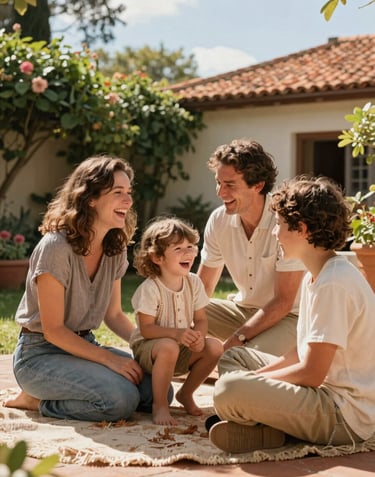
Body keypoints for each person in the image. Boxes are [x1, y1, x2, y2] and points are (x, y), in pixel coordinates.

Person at [208, 176, 375, 454]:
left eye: (280, 226)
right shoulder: (317, 274)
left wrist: (253, 385)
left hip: (344, 415)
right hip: (321, 396)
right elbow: (299, 354)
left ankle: (267, 425)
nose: (275, 234)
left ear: (303, 229)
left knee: (229, 389)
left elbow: (311, 373)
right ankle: (269, 429)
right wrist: (257, 380)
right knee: (235, 358)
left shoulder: (333, 282)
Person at [5, 155, 172, 422]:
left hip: (83, 345)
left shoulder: (114, 247)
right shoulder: (55, 248)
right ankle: (35, 400)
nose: (128, 201)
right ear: (90, 198)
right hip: (39, 355)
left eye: (129, 193)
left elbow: (114, 314)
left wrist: (149, 347)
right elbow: (54, 330)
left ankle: (72, 390)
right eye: (118, 193)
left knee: (159, 390)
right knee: (120, 401)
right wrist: (109, 359)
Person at [197, 139, 305, 355]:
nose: (220, 192)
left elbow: (284, 302)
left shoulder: (286, 222)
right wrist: (178, 322)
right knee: (180, 313)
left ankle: (219, 362)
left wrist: (234, 341)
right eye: (218, 182)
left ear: (258, 185)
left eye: (229, 185)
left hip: (289, 318)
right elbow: (202, 286)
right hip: (243, 311)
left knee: (238, 360)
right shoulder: (219, 220)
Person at [130, 216, 223, 425]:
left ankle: (185, 394)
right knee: (168, 346)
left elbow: (200, 319)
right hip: (150, 350)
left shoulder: (194, 283)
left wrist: (199, 336)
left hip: (178, 346)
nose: (188, 252)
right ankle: (160, 405)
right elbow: (146, 330)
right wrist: (177, 334)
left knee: (215, 347)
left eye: (190, 246)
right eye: (178, 249)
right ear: (157, 258)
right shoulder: (150, 289)